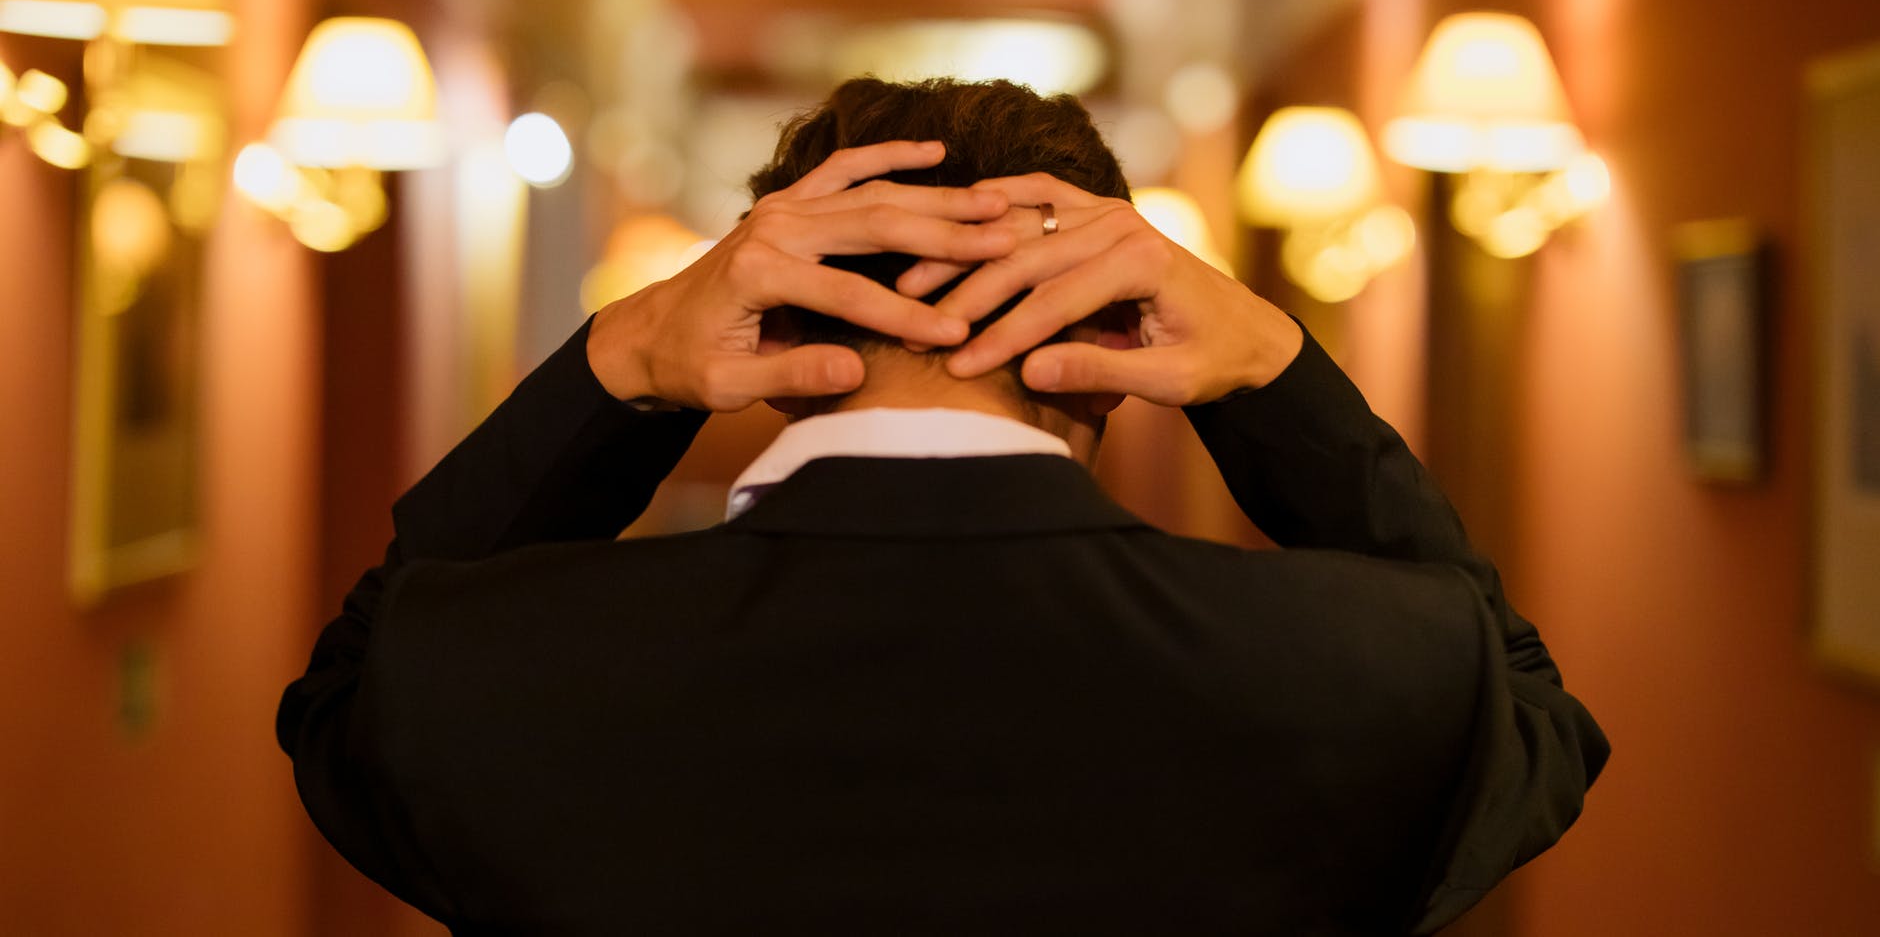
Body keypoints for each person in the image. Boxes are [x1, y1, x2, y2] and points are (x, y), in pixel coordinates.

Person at [279, 77, 1607, 936]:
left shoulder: (496, 668)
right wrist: (1273, 373)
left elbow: (346, 687)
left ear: (766, 331)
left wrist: (621, 365)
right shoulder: (1359, 667)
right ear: (1125, 348)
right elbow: (1531, 702)